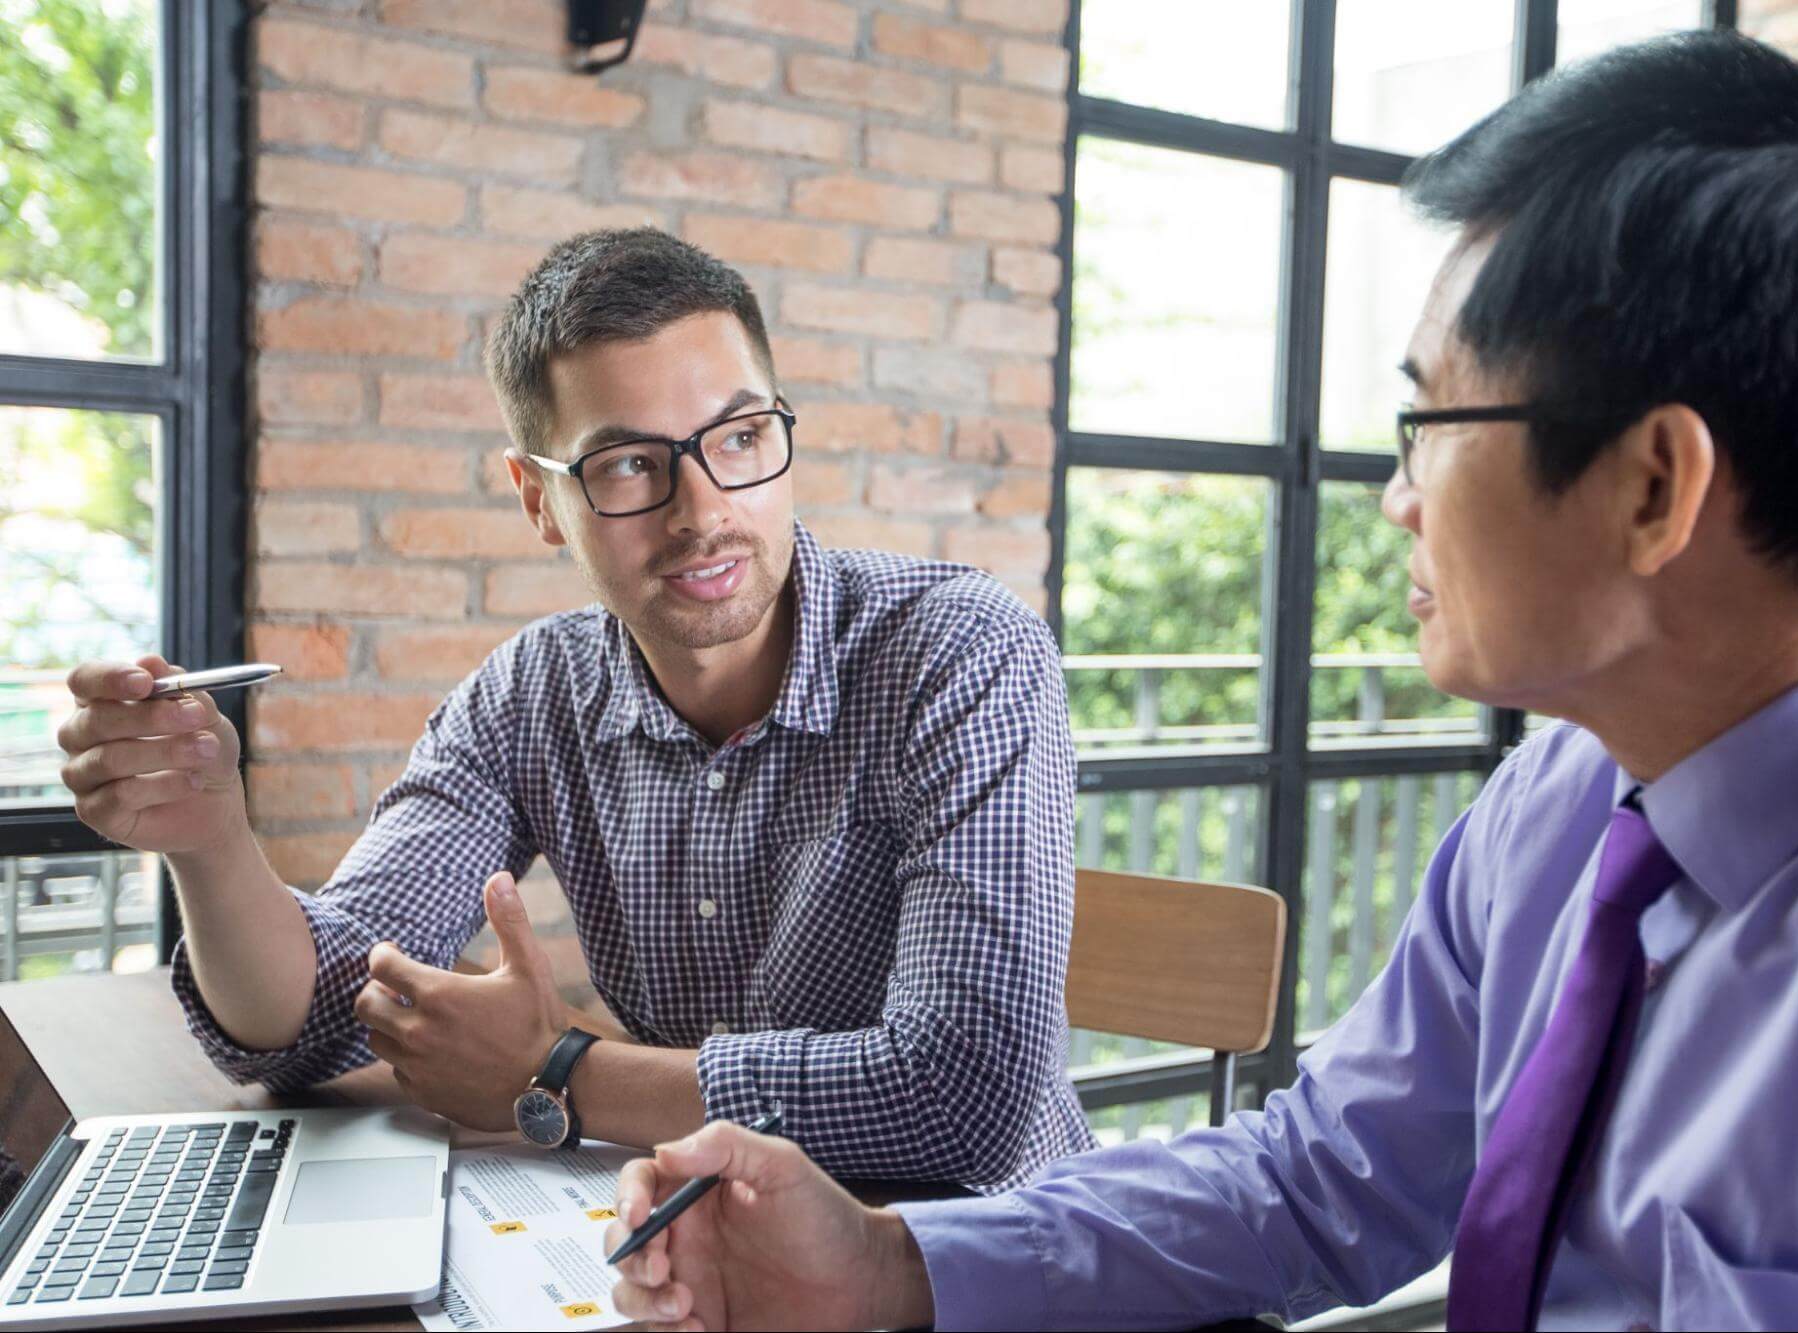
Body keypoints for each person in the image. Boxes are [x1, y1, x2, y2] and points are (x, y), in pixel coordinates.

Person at [601, 32, 1798, 1332]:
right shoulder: (1563, 801)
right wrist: (890, 1261)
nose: (1394, 498)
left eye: (1426, 420)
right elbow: (1320, 1177)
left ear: (1651, 482)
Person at [55, 229, 1095, 1191]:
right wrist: (209, 838)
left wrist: (557, 1073)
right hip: (703, 1244)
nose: (705, 512)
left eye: (737, 437)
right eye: (629, 464)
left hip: (982, 1261)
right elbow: (323, 1017)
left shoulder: (960, 650)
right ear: (536, 496)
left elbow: (971, 1103)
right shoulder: (530, 695)